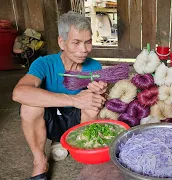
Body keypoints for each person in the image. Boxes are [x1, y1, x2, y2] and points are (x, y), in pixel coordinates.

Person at [12, 11, 107, 180]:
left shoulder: (94, 66)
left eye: (88, 42)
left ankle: (84, 154)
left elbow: (98, 100)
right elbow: (19, 92)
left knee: (94, 106)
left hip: (76, 122)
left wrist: (99, 92)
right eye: (76, 42)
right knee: (28, 107)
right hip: (49, 122)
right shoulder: (44, 63)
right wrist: (74, 99)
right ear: (61, 42)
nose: (84, 50)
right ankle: (40, 162)